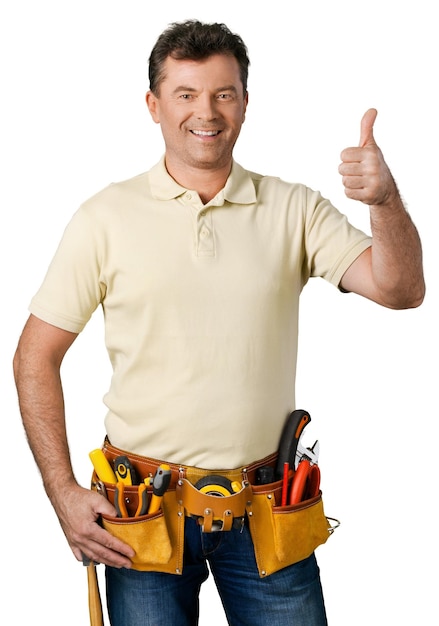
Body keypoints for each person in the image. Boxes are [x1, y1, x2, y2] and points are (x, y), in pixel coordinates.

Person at [13, 19, 424, 626]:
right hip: (143, 519)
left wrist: (384, 201)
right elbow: (33, 357)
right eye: (185, 94)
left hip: (267, 514)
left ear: (245, 104)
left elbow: (402, 289)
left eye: (223, 94)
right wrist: (61, 491)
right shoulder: (103, 219)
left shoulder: (294, 209)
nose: (205, 112)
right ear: (153, 105)